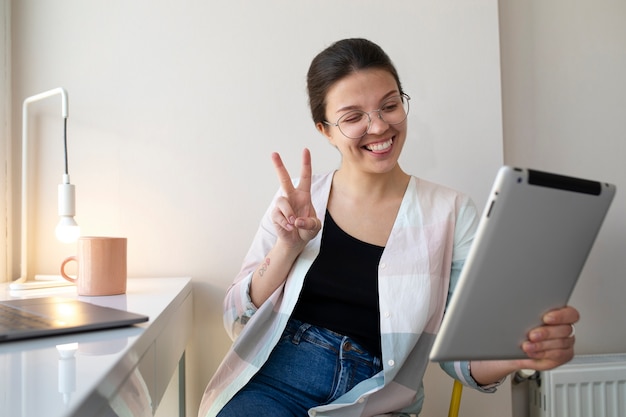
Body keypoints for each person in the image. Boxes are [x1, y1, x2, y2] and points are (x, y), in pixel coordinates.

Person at [198, 38, 579, 417]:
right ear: (325, 130)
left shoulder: (451, 213)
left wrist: (521, 354)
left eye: (390, 106)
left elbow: (461, 358)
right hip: (278, 382)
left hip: (376, 399)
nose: (378, 126)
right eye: (352, 117)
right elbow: (238, 319)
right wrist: (286, 248)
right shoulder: (300, 201)